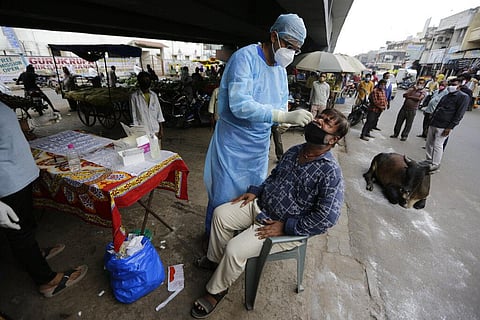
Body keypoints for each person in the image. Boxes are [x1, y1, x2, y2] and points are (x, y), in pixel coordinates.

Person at [192, 109, 349, 318]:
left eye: (327, 123)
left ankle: (217, 290)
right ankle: (215, 261)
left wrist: (286, 226)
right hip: (261, 206)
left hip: (281, 226)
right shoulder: (295, 150)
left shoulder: (330, 172)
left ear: (334, 139)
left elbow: (327, 217)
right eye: (320, 117)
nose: (319, 122)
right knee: (220, 214)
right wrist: (255, 191)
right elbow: (275, 176)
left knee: (235, 249)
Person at [202, 14, 313, 238]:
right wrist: (282, 116)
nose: (291, 53)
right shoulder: (244, 58)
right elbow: (240, 105)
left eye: (296, 49)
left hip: (258, 146)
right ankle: (211, 241)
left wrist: (279, 122)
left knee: (251, 195)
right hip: (233, 144)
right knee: (223, 198)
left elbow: (281, 101)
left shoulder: (280, 70)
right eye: (289, 46)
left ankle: (235, 236)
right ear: (274, 36)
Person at [0, 102, 88, 298]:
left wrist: (35, 122)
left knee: (26, 227)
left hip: (20, 177)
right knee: (19, 233)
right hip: (8, 184)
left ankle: (31, 256)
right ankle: (48, 281)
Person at [423, 78, 469, 172]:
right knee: (429, 143)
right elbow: (437, 108)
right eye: (450, 84)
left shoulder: (463, 97)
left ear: (459, 86)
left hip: (444, 125)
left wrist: (450, 127)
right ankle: (428, 160)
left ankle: (435, 164)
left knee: (438, 145)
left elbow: (459, 114)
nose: (451, 86)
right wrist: (430, 121)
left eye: (454, 84)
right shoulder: (447, 95)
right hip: (435, 122)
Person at [130, 72, 164, 138]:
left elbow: (159, 114)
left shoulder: (154, 95)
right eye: (143, 80)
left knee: (157, 148)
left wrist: (161, 129)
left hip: (155, 130)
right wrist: (137, 133)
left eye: (147, 80)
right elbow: (134, 117)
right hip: (143, 132)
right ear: (139, 82)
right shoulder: (134, 97)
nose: (145, 82)